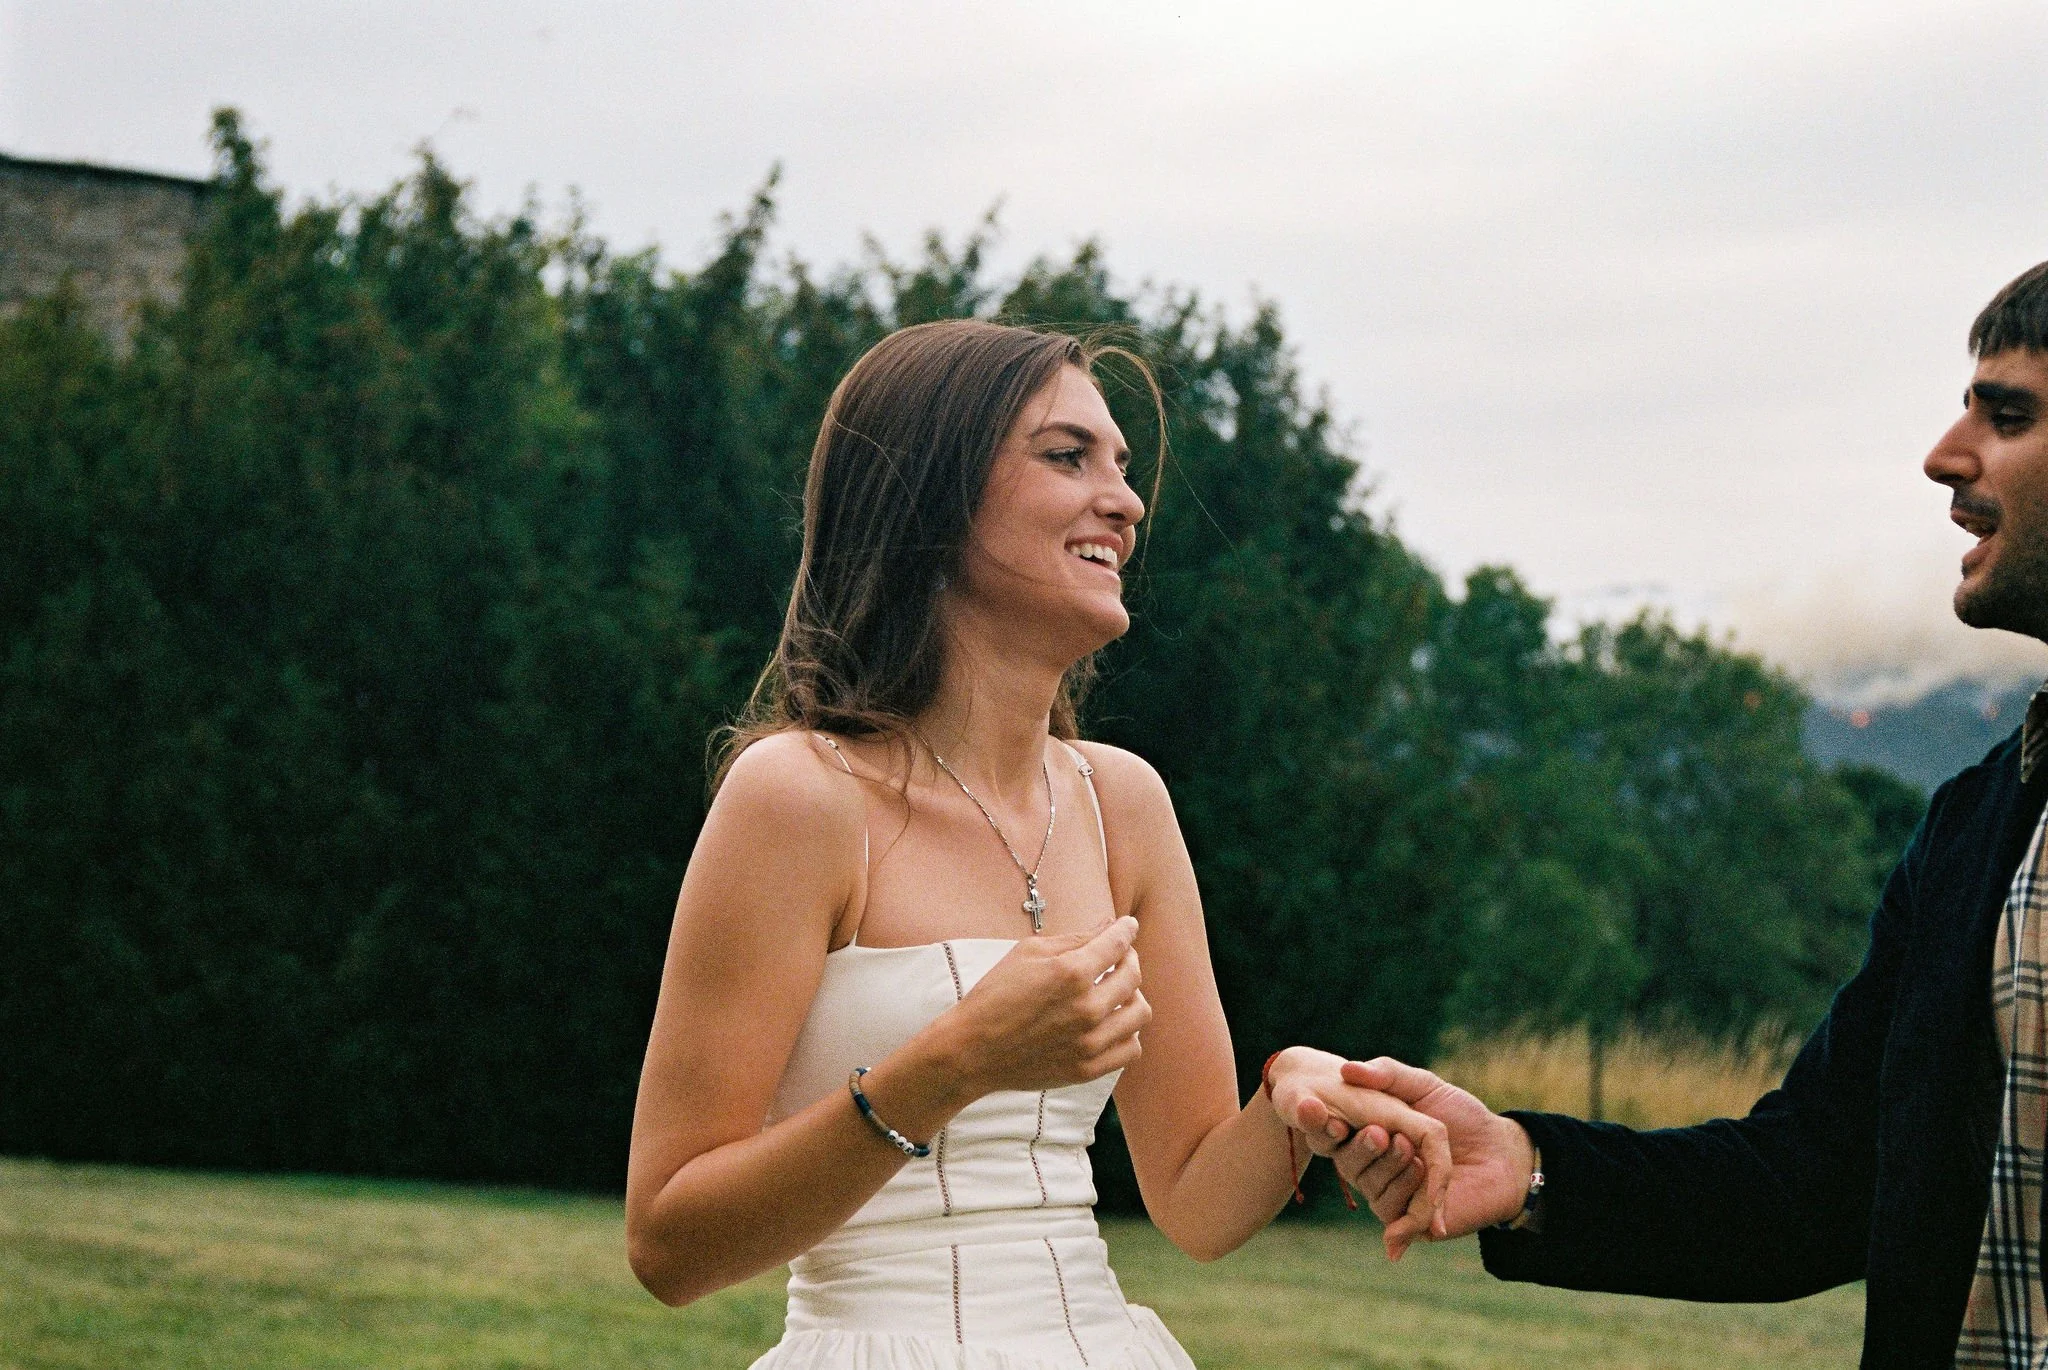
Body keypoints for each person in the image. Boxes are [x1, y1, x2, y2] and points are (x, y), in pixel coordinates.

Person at [623, 319, 1450, 1369]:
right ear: (931, 496)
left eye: (1123, 467)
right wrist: (957, 1060)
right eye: (1068, 456)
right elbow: (669, 1245)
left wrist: (1300, 1102)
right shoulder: (800, 796)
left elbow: (1195, 1200)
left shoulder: (1122, 803)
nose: (1126, 502)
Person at [1280, 260, 2048, 1370]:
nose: (1944, 454)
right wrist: (1523, 1165)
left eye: (2009, 415)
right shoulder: (1975, 829)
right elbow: (1811, 1179)